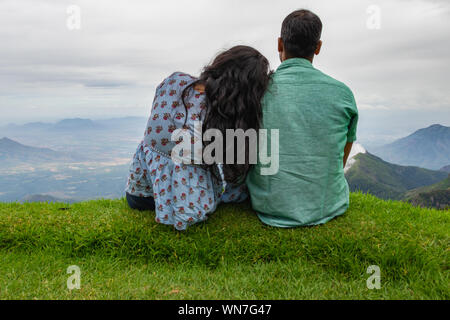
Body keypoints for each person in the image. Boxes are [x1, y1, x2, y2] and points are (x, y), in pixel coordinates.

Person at [126, 46, 271, 230]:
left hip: (137, 192)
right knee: (239, 188)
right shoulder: (218, 112)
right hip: (183, 206)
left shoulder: (173, 81)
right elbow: (232, 169)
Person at [246, 9, 359, 227]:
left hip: (267, 204)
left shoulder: (257, 91)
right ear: (318, 47)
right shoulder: (343, 93)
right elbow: (342, 155)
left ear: (280, 44)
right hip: (328, 205)